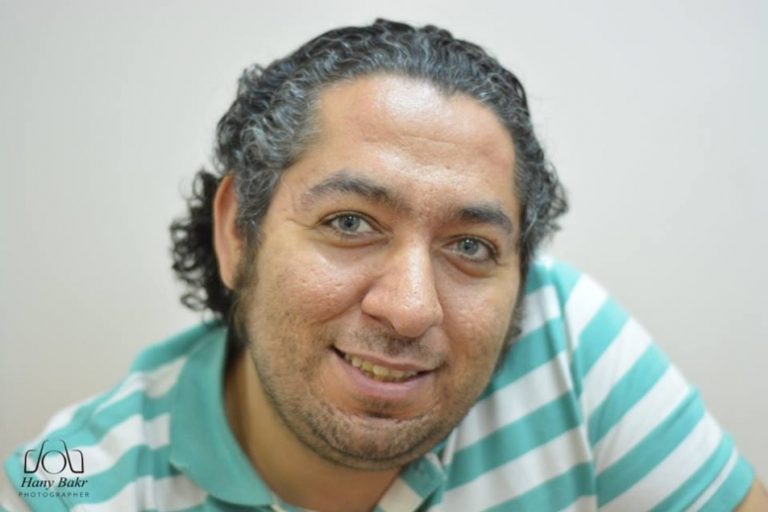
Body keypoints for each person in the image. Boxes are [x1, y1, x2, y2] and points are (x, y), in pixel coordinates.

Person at [2, 19, 765, 512]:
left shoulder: (565, 340)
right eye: (350, 224)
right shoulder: (72, 487)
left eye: (471, 246)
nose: (410, 308)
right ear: (238, 231)